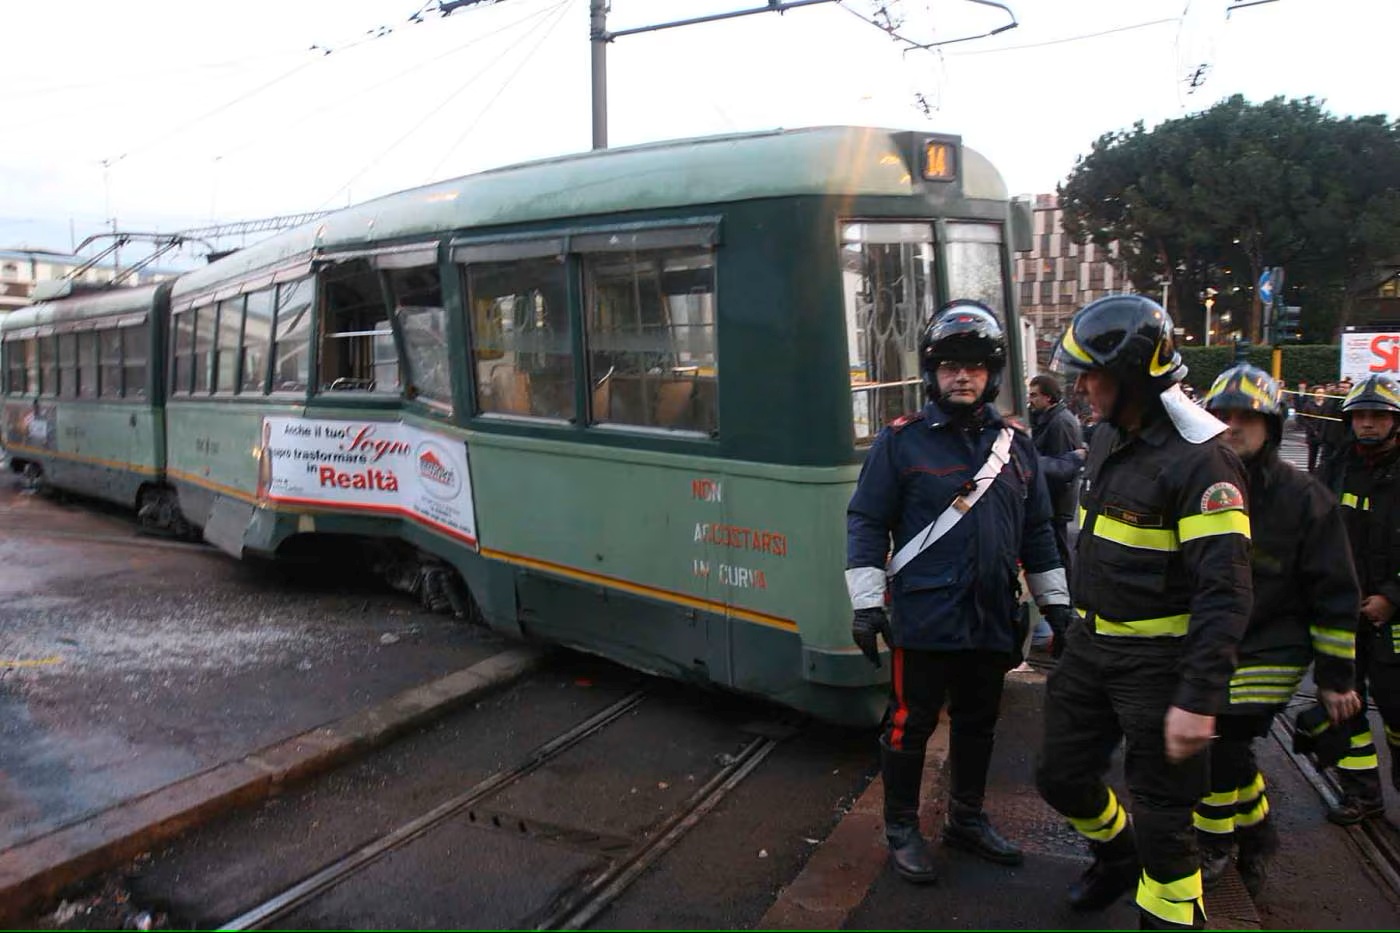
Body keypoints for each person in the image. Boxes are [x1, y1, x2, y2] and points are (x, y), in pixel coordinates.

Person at [1034, 294, 1253, 930]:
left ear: (1132, 377)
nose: (1081, 386)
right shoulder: (1106, 437)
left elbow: (1226, 591)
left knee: (1164, 819)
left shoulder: (1203, 462)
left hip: (1161, 665)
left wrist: (1199, 698)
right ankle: (1116, 852)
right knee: (1059, 774)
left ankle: (1172, 917)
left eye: (1092, 373)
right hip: (1090, 647)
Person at [846, 300, 1074, 884]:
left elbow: (1040, 534)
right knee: (908, 723)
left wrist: (1058, 608)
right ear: (932, 372)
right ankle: (901, 828)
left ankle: (966, 819)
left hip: (993, 612)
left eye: (974, 365)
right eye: (949, 364)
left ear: (992, 374)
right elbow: (867, 522)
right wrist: (868, 604)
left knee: (979, 720)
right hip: (925, 614)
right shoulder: (902, 443)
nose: (962, 375)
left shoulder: (1016, 446)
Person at [1196, 365, 1361, 898]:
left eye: (1248, 417)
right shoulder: (1196, 483)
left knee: (1217, 740)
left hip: (1273, 646)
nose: (1234, 426)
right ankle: (1258, 830)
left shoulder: (1304, 499)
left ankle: (1213, 843)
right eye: (1223, 416)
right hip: (1216, 640)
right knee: (1229, 749)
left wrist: (1336, 678)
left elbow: (1336, 592)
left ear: (1271, 425)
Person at [1318, 374, 1400, 824]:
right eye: (1360, 416)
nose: (1367, 424)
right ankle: (1362, 792)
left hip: (1393, 618)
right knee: (1343, 704)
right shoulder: (1335, 465)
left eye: (1378, 416)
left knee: (1396, 710)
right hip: (1342, 612)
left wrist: (1391, 597)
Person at [1028, 373, 1086, 656]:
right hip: (1050, 503)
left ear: (1048, 397)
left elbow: (1064, 468)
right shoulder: (1047, 419)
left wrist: (1028, 463)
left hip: (1056, 503)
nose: (1030, 400)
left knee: (1059, 558)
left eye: (1035, 395)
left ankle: (1067, 614)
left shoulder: (1060, 423)